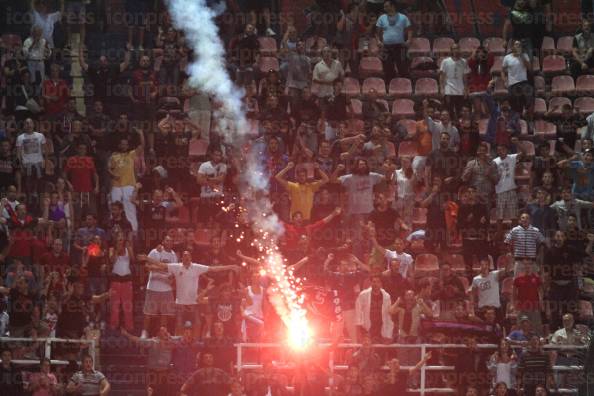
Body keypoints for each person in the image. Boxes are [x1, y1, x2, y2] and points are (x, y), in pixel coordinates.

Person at [139, 250, 240, 336]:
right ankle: (177, 349)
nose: (186, 258)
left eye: (188, 256)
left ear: (191, 258)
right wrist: (147, 258)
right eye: (184, 256)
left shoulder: (196, 267)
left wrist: (231, 266)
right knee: (178, 326)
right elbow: (161, 265)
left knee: (197, 324)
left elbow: (214, 269)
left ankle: (196, 347)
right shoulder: (176, 267)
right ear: (181, 258)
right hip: (180, 304)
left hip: (194, 303)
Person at [108, 128, 145, 232]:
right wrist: (113, 175)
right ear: (119, 145)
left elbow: (142, 146)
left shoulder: (131, 154)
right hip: (116, 185)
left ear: (128, 146)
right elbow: (108, 169)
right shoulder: (114, 156)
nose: (124, 146)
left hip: (129, 184)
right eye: (122, 144)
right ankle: (113, 230)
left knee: (130, 209)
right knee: (114, 208)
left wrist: (141, 134)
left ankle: (133, 232)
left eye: (126, 144)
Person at [375, 0, 412, 83]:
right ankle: (390, 88)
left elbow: (409, 30)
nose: (385, 8)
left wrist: (409, 40)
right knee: (388, 69)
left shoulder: (403, 17)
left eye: (387, 6)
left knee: (403, 68)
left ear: (393, 6)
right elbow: (376, 32)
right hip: (386, 48)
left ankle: (405, 86)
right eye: (384, 6)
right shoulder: (381, 18)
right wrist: (378, 41)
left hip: (400, 47)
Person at [501, 40, 534, 131]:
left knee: (529, 96)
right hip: (513, 84)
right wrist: (505, 81)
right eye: (516, 45)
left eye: (519, 45)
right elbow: (502, 71)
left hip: (524, 82)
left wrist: (522, 56)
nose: (518, 47)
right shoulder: (507, 58)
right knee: (514, 101)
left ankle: (530, 121)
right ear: (512, 47)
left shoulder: (525, 56)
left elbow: (530, 69)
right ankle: (516, 122)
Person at [355, 275, 394, 343]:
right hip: (367, 329)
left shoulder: (386, 296)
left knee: (381, 351)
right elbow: (358, 313)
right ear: (371, 283)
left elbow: (388, 317)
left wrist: (388, 335)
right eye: (374, 282)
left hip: (381, 329)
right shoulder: (363, 294)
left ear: (381, 284)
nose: (375, 284)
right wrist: (359, 332)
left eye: (378, 282)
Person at [471, 257, 511, 321]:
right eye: (482, 265)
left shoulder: (494, 274)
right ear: (480, 266)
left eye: (486, 264)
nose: (484, 266)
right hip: (483, 309)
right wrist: (473, 307)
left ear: (489, 266)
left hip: (495, 308)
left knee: (498, 328)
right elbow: (473, 295)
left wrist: (508, 261)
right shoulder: (475, 279)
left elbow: (507, 271)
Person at [439, 43, 470, 119]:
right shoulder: (445, 61)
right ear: (451, 50)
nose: (456, 50)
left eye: (457, 48)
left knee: (460, 111)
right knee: (449, 110)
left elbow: (465, 76)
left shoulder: (464, 62)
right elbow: (442, 76)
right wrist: (442, 88)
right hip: (448, 89)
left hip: (460, 90)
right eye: (454, 49)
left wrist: (466, 89)